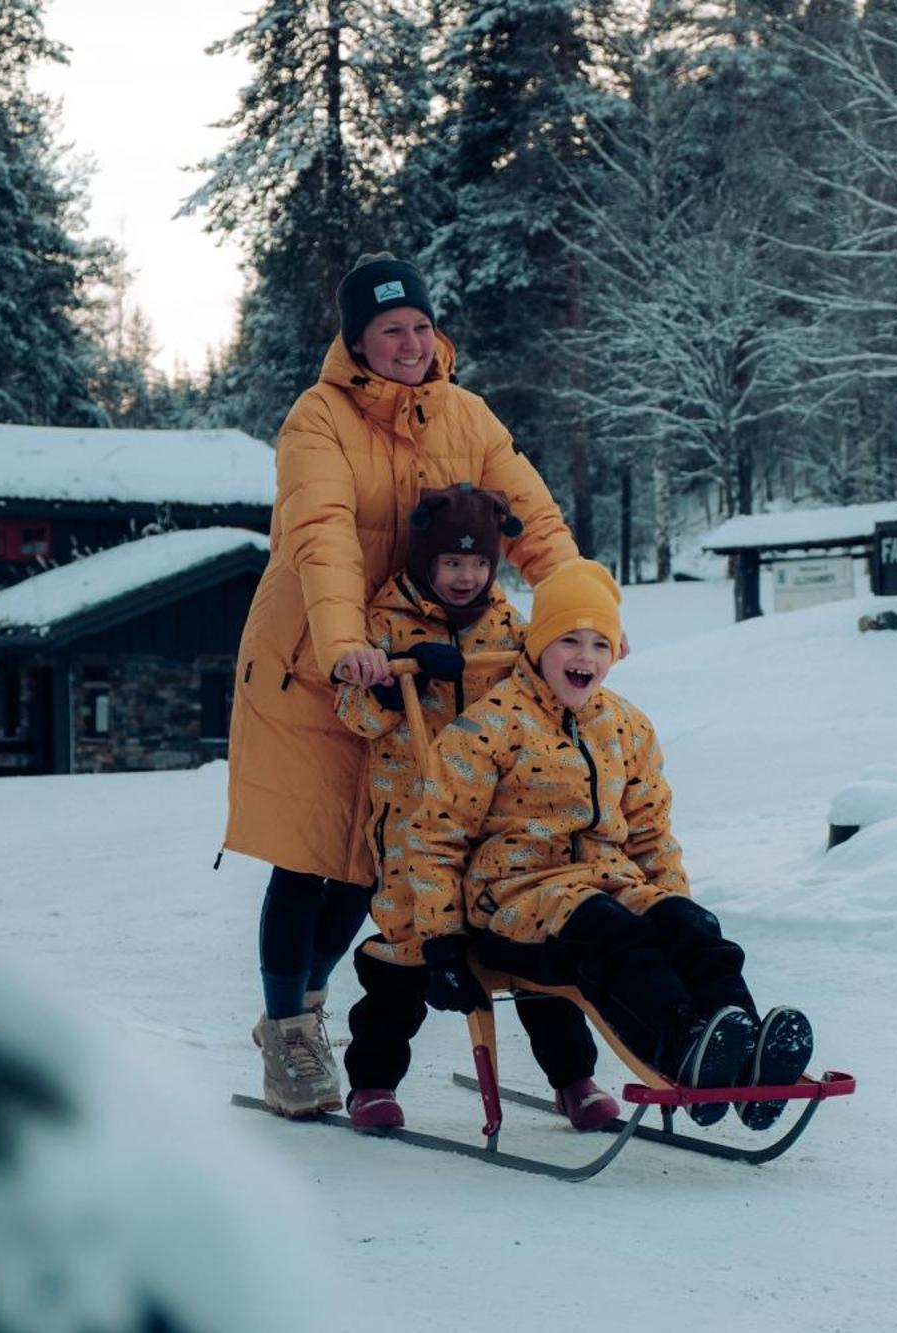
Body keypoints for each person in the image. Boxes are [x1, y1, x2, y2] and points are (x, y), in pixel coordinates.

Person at [224, 253, 579, 1118]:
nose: (411, 344)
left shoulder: (468, 414)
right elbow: (323, 535)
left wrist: (581, 616)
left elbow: (532, 520)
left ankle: (308, 1006)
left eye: (420, 326)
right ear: (357, 340)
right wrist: (347, 644)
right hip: (320, 658)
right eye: (391, 331)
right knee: (312, 853)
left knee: (369, 860)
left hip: (422, 659)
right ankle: (290, 1032)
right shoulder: (318, 419)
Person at [394, 560, 815, 1131]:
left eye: (599, 643)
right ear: (539, 645)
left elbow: (650, 832)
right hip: (515, 902)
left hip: (608, 885)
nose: (584, 657)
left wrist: (672, 907)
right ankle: (684, 1050)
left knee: (693, 928)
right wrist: (442, 943)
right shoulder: (486, 729)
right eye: (568, 640)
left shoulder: (626, 727)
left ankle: (743, 1045)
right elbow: (436, 839)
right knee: (615, 937)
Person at [332, 483, 618, 1133]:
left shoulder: (508, 624)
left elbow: (544, 678)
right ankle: (373, 1081)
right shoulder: (387, 622)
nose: (466, 576)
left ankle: (574, 1077)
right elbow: (353, 711)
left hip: (495, 815)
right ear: (427, 562)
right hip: (413, 819)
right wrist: (394, 676)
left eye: (479, 564)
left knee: (532, 934)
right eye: (452, 563)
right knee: (408, 945)